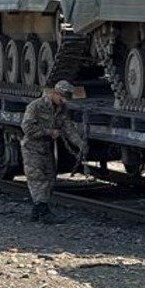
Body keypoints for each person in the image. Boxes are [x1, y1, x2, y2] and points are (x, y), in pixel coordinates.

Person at [20, 79, 86, 223]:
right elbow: (27, 128)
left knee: (49, 179)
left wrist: (80, 144)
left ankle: (36, 212)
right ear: (55, 93)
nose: (63, 101)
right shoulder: (36, 106)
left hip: (46, 147)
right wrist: (49, 132)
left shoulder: (61, 109)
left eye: (65, 98)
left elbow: (68, 128)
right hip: (32, 147)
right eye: (62, 97)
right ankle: (44, 213)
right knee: (37, 179)